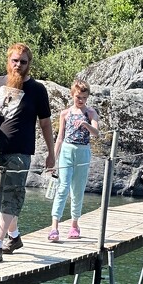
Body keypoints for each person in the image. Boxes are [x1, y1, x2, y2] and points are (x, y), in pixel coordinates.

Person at [0, 43, 55, 263]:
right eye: (15, 61)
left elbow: (46, 124)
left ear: (29, 64)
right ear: (8, 61)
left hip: (20, 152)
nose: (18, 65)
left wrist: (51, 153)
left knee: (11, 196)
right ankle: (14, 236)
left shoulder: (37, 90)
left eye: (23, 62)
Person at [48, 80, 100, 242]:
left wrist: (86, 124)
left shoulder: (91, 113)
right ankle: (54, 226)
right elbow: (60, 138)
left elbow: (96, 133)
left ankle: (74, 224)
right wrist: (53, 158)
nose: (81, 100)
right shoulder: (65, 113)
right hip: (67, 151)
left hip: (83, 152)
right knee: (63, 187)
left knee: (77, 189)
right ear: (72, 95)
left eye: (84, 97)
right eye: (78, 97)